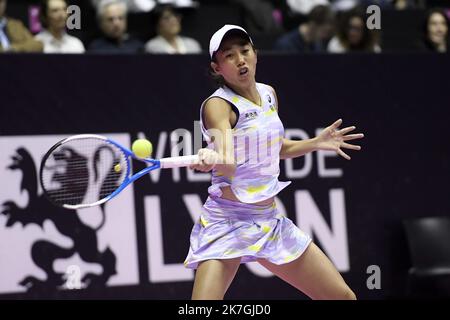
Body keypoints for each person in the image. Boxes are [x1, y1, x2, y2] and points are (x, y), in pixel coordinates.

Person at [185, 24, 364, 300]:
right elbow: (229, 163)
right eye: (229, 55)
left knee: (342, 298)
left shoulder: (268, 94)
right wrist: (214, 158)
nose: (240, 59)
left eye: (244, 51)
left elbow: (274, 148)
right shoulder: (218, 105)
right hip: (227, 220)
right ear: (217, 68)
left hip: (267, 219)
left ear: (256, 54)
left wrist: (315, 143)